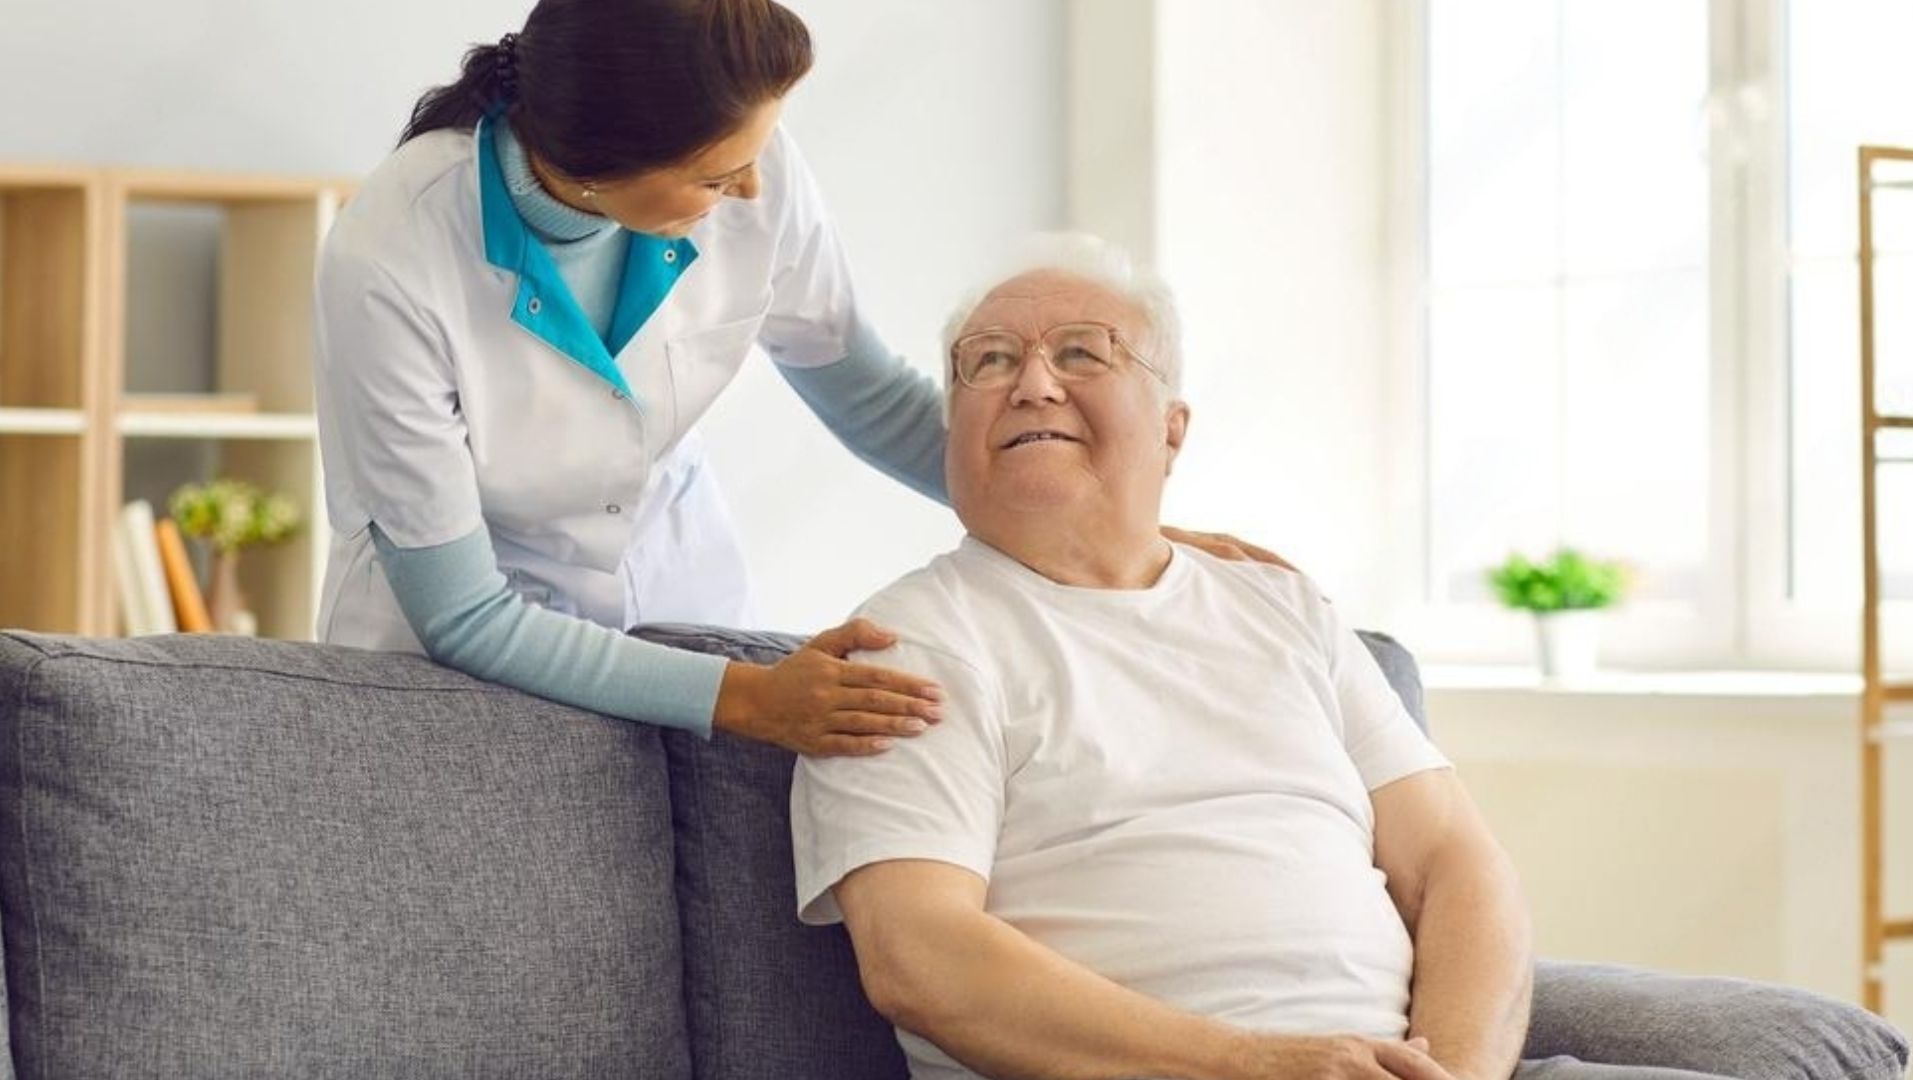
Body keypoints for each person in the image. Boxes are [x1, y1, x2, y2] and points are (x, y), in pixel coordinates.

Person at [311, 0, 1284, 757]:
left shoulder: (749, 163)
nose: (750, 191)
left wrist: (1104, 529)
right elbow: (465, 612)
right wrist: (750, 701)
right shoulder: (395, 258)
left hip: (670, 582)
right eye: (713, 177)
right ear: (596, 168)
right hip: (454, 653)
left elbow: (866, 395)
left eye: (755, 155)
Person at [791, 235, 1534, 1080]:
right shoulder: (909, 641)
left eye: (1081, 352)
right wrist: (1255, 1065)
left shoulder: (1283, 608)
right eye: (989, 361)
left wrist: (1460, 1071)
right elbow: (921, 958)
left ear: (1171, 432)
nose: (1033, 383)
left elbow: (1458, 864)